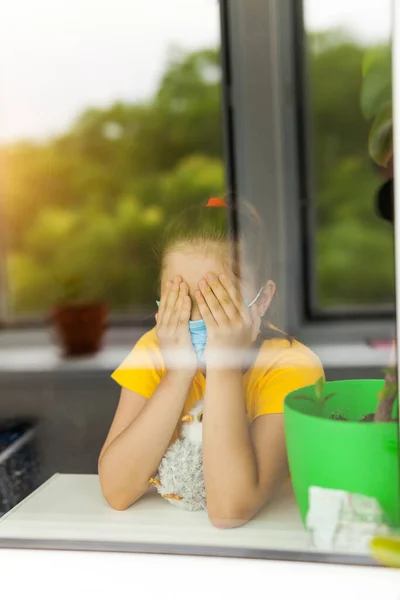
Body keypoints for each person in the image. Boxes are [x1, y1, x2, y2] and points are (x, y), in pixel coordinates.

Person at [99, 198, 324, 528]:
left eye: (218, 302)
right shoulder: (155, 348)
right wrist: (177, 373)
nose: (196, 317)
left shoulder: (292, 365)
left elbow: (230, 510)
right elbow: (116, 491)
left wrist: (224, 363)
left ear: (261, 301)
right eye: (181, 300)